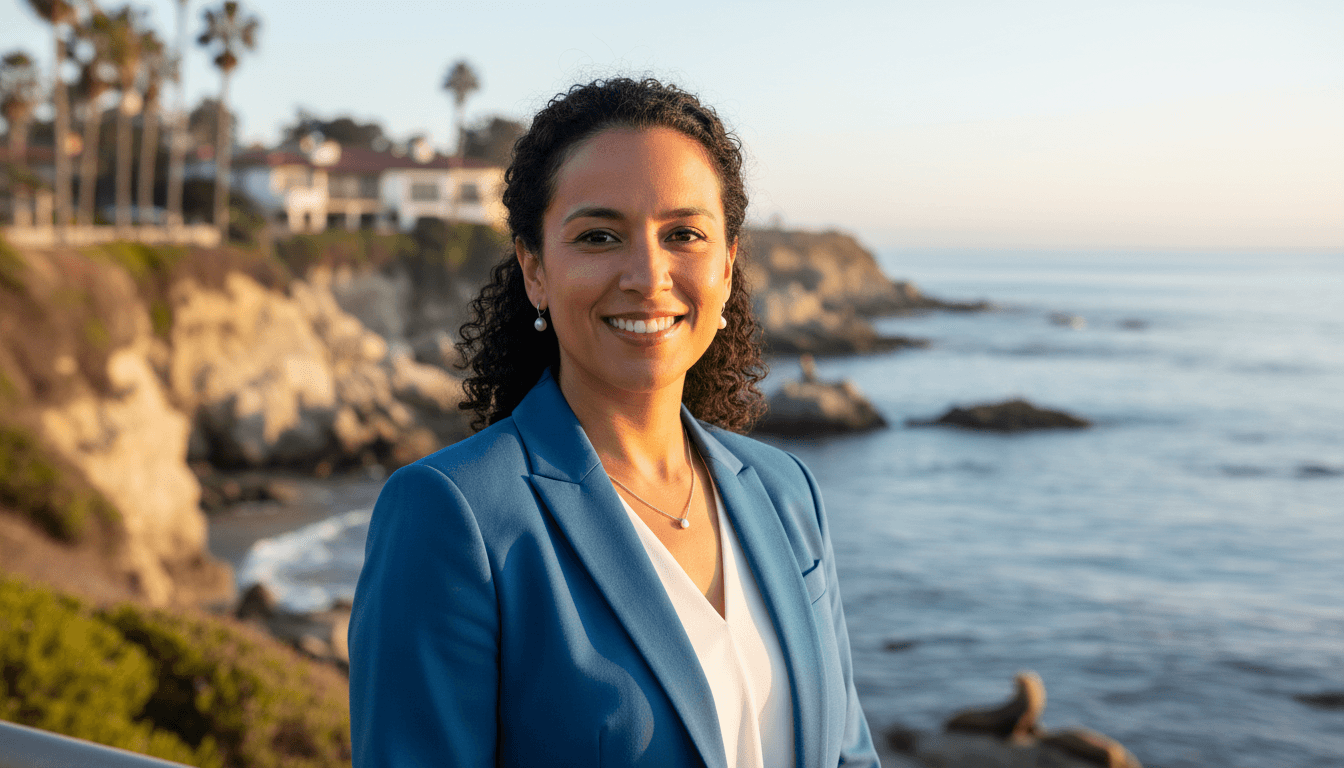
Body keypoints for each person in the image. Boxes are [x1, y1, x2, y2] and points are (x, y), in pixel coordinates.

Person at [349, 77, 879, 768]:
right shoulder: (453, 515)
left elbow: (848, 755)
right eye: (599, 236)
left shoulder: (786, 492)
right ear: (535, 269)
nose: (647, 274)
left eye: (683, 233)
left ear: (726, 266)